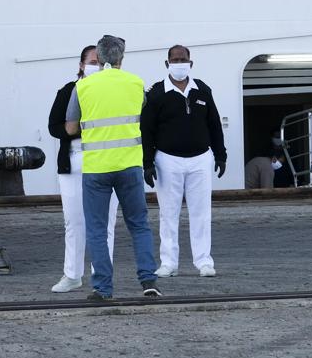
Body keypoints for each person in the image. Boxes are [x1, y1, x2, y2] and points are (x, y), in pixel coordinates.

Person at [64, 35, 160, 301]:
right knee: (139, 225)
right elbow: (139, 111)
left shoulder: (82, 87)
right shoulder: (136, 83)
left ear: (101, 58)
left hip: (96, 168)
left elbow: (71, 127)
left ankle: (102, 288)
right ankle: (148, 280)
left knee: (96, 229)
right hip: (129, 165)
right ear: (121, 58)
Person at [141, 45, 227, 278]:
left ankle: (203, 261)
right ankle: (169, 262)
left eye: (183, 59)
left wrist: (221, 154)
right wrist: (147, 162)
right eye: (175, 59)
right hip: (167, 161)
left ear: (191, 62)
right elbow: (146, 130)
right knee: (169, 213)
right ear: (167, 63)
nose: (180, 62)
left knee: (201, 211)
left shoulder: (203, 90)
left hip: (200, 159)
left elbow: (214, 123)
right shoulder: (156, 93)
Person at [46, 45, 118, 293]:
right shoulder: (68, 91)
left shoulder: (112, 91)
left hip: (106, 159)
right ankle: (72, 274)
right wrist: (74, 128)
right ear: (81, 64)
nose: (96, 66)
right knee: (74, 220)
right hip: (74, 159)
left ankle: (102, 274)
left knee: (105, 222)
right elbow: (55, 126)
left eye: (100, 62)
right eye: (92, 62)